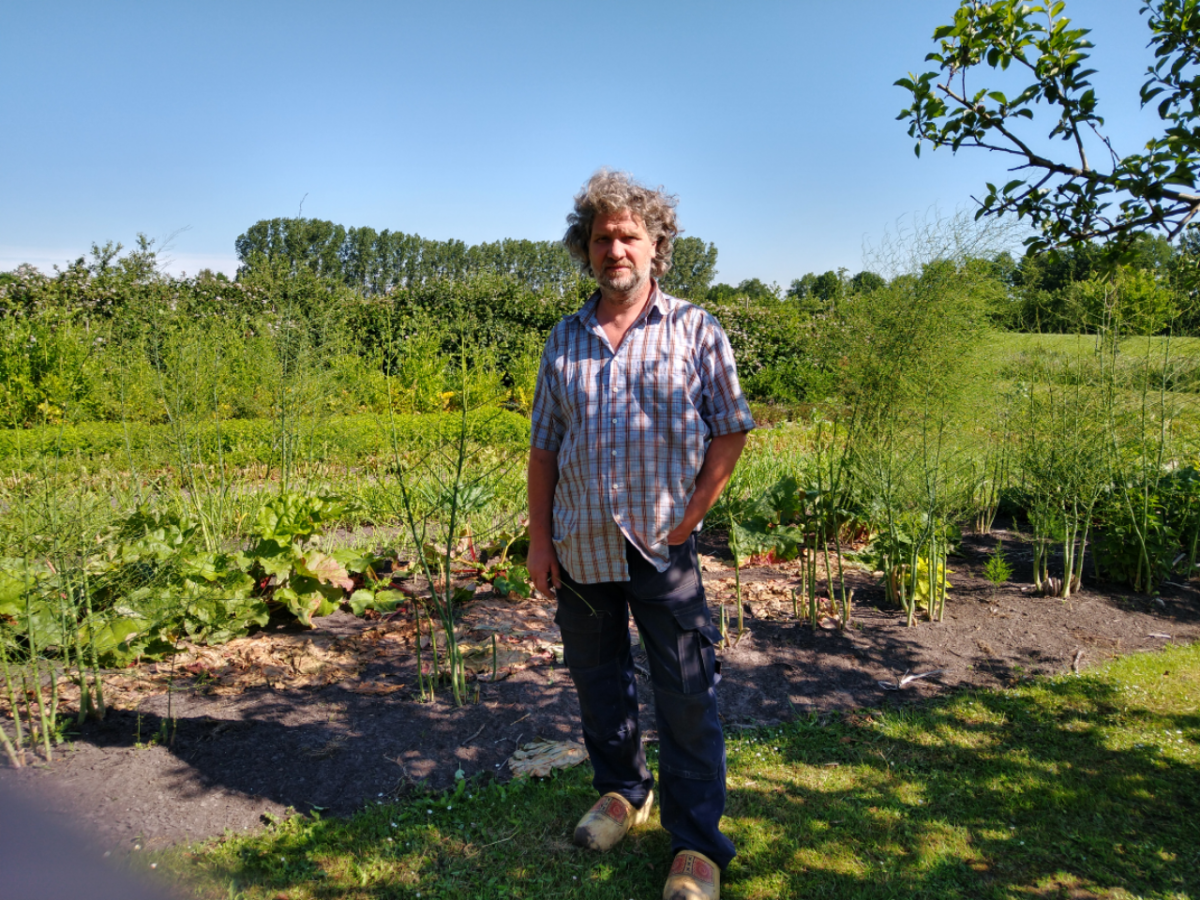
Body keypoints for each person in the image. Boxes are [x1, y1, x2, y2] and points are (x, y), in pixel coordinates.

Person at [527, 170, 754, 900]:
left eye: (629, 236)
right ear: (584, 249)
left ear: (657, 245)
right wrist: (539, 541)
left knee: (687, 694)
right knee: (599, 687)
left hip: (664, 549)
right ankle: (624, 792)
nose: (615, 249)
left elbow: (729, 429)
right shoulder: (564, 340)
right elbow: (544, 448)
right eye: (602, 238)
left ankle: (696, 847)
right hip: (581, 546)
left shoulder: (695, 329)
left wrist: (693, 514)